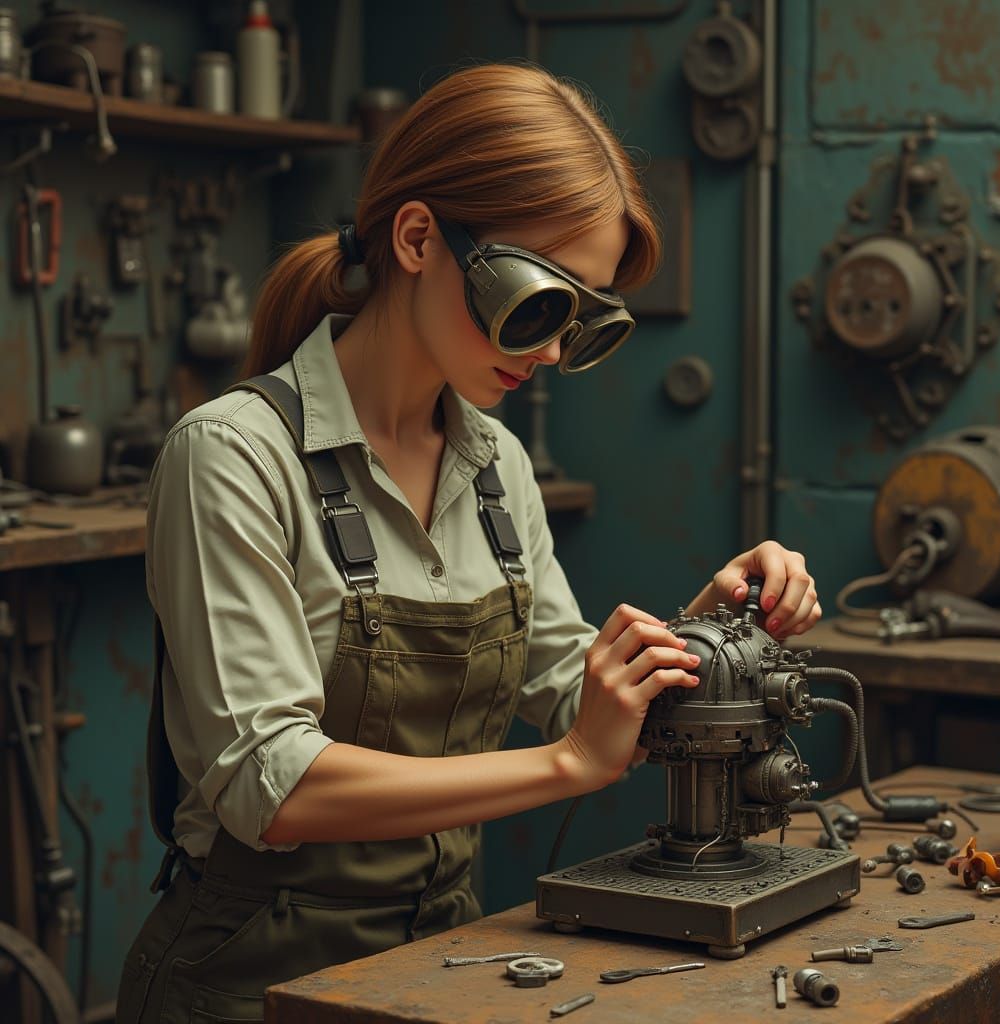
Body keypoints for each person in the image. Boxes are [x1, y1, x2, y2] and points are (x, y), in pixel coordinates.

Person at [115, 62, 821, 1022]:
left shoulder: (495, 464)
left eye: (584, 319)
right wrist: (568, 764)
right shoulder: (232, 457)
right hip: (249, 976)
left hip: (441, 961)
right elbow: (269, 787)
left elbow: (572, 691)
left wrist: (711, 629)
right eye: (538, 302)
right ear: (418, 238)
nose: (553, 351)